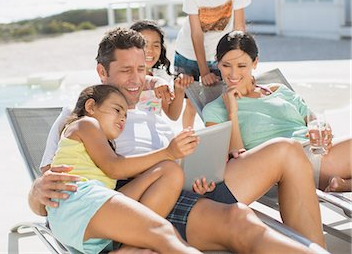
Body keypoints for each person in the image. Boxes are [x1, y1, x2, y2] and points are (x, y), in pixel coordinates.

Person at [30, 27, 324, 253]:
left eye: (141, 69)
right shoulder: (84, 113)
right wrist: (37, 191)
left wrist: (205, 167)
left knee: (283, 156)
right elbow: (49, 196)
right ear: (101, 72)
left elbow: (177, 153)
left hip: (186, 182)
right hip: (137, 198)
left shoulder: (154, 105)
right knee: (240, 222)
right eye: (125, 71)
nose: (136, 80)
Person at [47, 84, 200, 253]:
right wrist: (168, 152)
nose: (123, 118)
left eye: (126, 115)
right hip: (75, 204)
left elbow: (134, 168)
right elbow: (115, 168)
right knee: (162, 232)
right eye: (117, 110)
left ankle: (128, 249)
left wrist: (185, 167)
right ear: (90, 106)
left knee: (169, 171)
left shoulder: (104, 147)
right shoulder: (85, 124)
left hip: (90, 213)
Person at [201, 31, 352, 192]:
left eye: (242, 66)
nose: (233, 73)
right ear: (217, 63)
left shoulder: (279, 90)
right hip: (287, 165)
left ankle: (343, 184)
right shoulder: (214, 111)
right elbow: (237, 162)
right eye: (226, 65)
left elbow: (315, 121)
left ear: (255, 63)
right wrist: (232, 113)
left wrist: (322, 130)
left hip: (316, 152)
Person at [174, 0, 251, 129]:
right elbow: (196, 34)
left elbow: (239, 29)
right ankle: (187, 142)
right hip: (189, 54)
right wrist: (203, 72)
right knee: (192, 104)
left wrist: (240, 62)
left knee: (225, 99)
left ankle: (227, 141)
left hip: (219, 54)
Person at [130, 20, 193, 119]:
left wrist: (179, 89)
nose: (150, 50)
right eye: (144, 45)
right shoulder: (124, 78)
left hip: (155, 132)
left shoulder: (159, 76)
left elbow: (173, 115)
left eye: (156, 45)